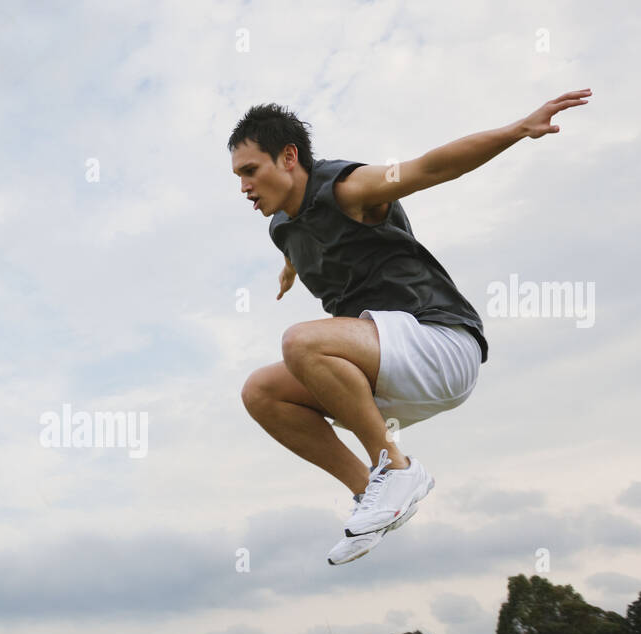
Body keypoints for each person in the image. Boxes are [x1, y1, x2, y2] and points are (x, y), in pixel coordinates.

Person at [230, 90, 591, 564]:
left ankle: (397, 468)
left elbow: (428, 168)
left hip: (440, 344)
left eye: (251, 171)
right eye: (239, 176)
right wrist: (290, 268)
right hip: (389, 375)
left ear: (289, 157)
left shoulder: (349, 188)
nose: (244, 188)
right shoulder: (282, 227)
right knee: (260, 392)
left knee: (301, 341)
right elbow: (300, 237)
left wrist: (517, 130)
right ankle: (373, 498)